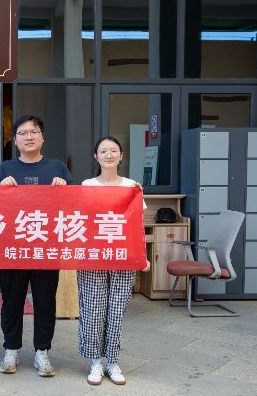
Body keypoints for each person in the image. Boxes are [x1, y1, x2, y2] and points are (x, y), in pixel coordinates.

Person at [0, 115, 71, 378]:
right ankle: (11, 349)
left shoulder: (57, 168)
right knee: (11, 302)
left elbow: (74, 205)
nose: (29, 137)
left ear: (43, 137)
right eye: (23, 133)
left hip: (46, 248)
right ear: (15, 140)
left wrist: (65, 188)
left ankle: (42, 351)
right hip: (12, 249)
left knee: (45, 302)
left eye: (34, 131)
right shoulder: (5, 168)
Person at [78, 136, 150, 386]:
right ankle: (95, 362)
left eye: (113, 151)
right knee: (93, 310)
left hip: (123, 257)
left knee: (117, 311)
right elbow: (79, 220)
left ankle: (112, 361)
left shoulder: (132, 186)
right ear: (96, 157)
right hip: (93, 257)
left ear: (121, 156)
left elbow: (137, 225)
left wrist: (142, 257)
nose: (108, 155)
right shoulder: (87, 185)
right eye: (103, 151)